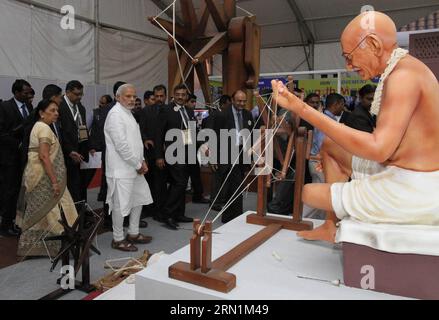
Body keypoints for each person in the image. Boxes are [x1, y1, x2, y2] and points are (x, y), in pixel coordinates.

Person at [271, 11, 439, 243]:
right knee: (329, 146)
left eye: (349, 57)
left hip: (414, 187)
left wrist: (302, 108)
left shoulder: (403, 76)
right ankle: (331, 226)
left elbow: (379, 149)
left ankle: (345, 216)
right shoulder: (402, 69)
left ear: (373, 44)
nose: (348, 66)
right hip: (398, 168)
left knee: (309, 193)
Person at [16, 99, 78, 256]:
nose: (56, 113)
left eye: (57, 110)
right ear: (41, 113)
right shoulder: (43, 128)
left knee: (43, 210)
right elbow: (44, 156)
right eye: (52, 110)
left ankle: (35, 246)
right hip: (44, 176)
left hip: (36, 175)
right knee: (56, 209)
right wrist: (54, 181)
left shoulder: (39, 126)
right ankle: (64, 244)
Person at [105, 84, 153, 252]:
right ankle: (117, 239)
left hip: (134, 166)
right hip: (121, 169)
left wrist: (141, 161)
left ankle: (133, 233)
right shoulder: (115, 115)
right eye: (128, 96)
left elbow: (135, 142)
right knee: (120, 205)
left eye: (134, 96)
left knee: (138, 200)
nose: (132, 99)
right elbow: (122, 146)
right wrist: (138, 164)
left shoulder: (128, 114)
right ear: (118, 97)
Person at [211, 90, 254, 223]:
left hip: (242, 152)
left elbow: (251, 135)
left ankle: (231, 217)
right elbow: (214, 136)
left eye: (244, 101)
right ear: (233, 100)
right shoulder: (222, 115)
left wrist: (250, 157)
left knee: (238, 185)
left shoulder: (247, 114)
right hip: (227, 152)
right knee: (233, 185)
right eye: (239, 101)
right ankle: (233, 216)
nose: (241, 103)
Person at [155, 84, 194, 230]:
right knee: (179, 183)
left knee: (182, 183)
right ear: (173, 94)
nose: (180, 97)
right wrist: (159, 156)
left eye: (183, 94)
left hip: (187, 152)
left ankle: (179, 213)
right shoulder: (166, 110)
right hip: (172, 152)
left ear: (186, 96)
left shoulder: (189, 111)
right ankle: (168, 214)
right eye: (178, 94)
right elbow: (158, 134)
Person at [0, 79, 34, 237]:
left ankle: (17, 222)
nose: (29, 95)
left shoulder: (29, 106)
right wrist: (18, 145)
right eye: (26, 92)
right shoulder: (4, 107)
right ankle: (5, 225)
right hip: (10, 158)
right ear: (16, 92)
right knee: (10, 191)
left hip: (25, 158)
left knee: (21, 191)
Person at [58, 80, 90, 208]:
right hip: (66, 153)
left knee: (81, 185)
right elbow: (59, 133)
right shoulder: (59, 106)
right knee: (71, 186)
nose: (79, 97)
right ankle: (71, 215)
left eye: (81, 94)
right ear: (67, 92)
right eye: (77, 94)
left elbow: (83, 128)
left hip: (80, 152)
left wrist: (89, 146)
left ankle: (81, 211)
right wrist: (69, 150)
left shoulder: (80, 107)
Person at [186, 93, 209, 204]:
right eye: (191, 101)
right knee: (185, 176)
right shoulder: (183, 113)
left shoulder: (194, 114)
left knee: (195, 173)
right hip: (185, 149)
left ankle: (198, 195)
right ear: (186, 102)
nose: (194, 104)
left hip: (194, 147)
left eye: (195, 101)